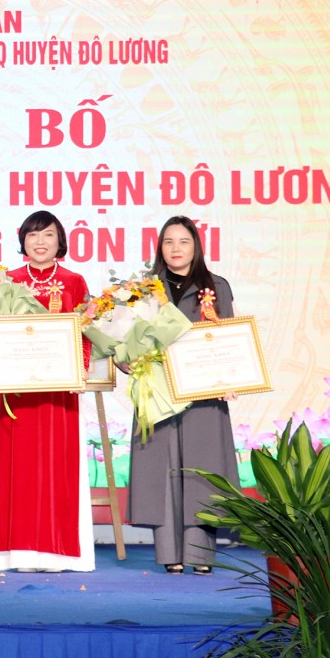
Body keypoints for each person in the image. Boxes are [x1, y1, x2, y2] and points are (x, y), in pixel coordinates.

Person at [127, 215, 238, 576]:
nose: (176, 248)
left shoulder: (215, 286)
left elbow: (228, 338)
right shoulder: (143, 291)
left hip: (202, 395)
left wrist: (230, 376)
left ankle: (200, 554)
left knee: (202, 472)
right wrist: (127, 362)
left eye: (183, 241)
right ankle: (169, 553)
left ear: (196, 246)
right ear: (160, 248)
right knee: (161, 472)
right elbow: (126, 340)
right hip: (157, 394)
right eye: (169, 242)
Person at [0, 210, 94, 573]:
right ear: (23, 241)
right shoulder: (7, 281)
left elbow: (85, 330)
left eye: (48, 234)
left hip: (60, 390)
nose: (40, 242)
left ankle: (57, 551)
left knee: (58, 466)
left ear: (59, 240)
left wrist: (80, 368)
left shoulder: (74, 281)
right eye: (33, 235)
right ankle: (18, 552)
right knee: (19, 469)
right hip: (16, 391)